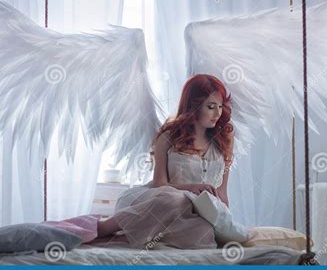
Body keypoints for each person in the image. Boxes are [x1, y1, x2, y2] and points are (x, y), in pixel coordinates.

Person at [97, 74, 235, 249]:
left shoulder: (225, 139)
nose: (218, 113)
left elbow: (222, 192)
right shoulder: (169, 135)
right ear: (193, 106)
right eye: (211, 106)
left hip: (197, 214)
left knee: (203, 235)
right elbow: (159, 184)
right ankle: (102, 228)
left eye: (221, 106)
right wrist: (190, 188)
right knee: (176, 200)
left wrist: (223, 221)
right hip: (161, 201)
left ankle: (127, 236)